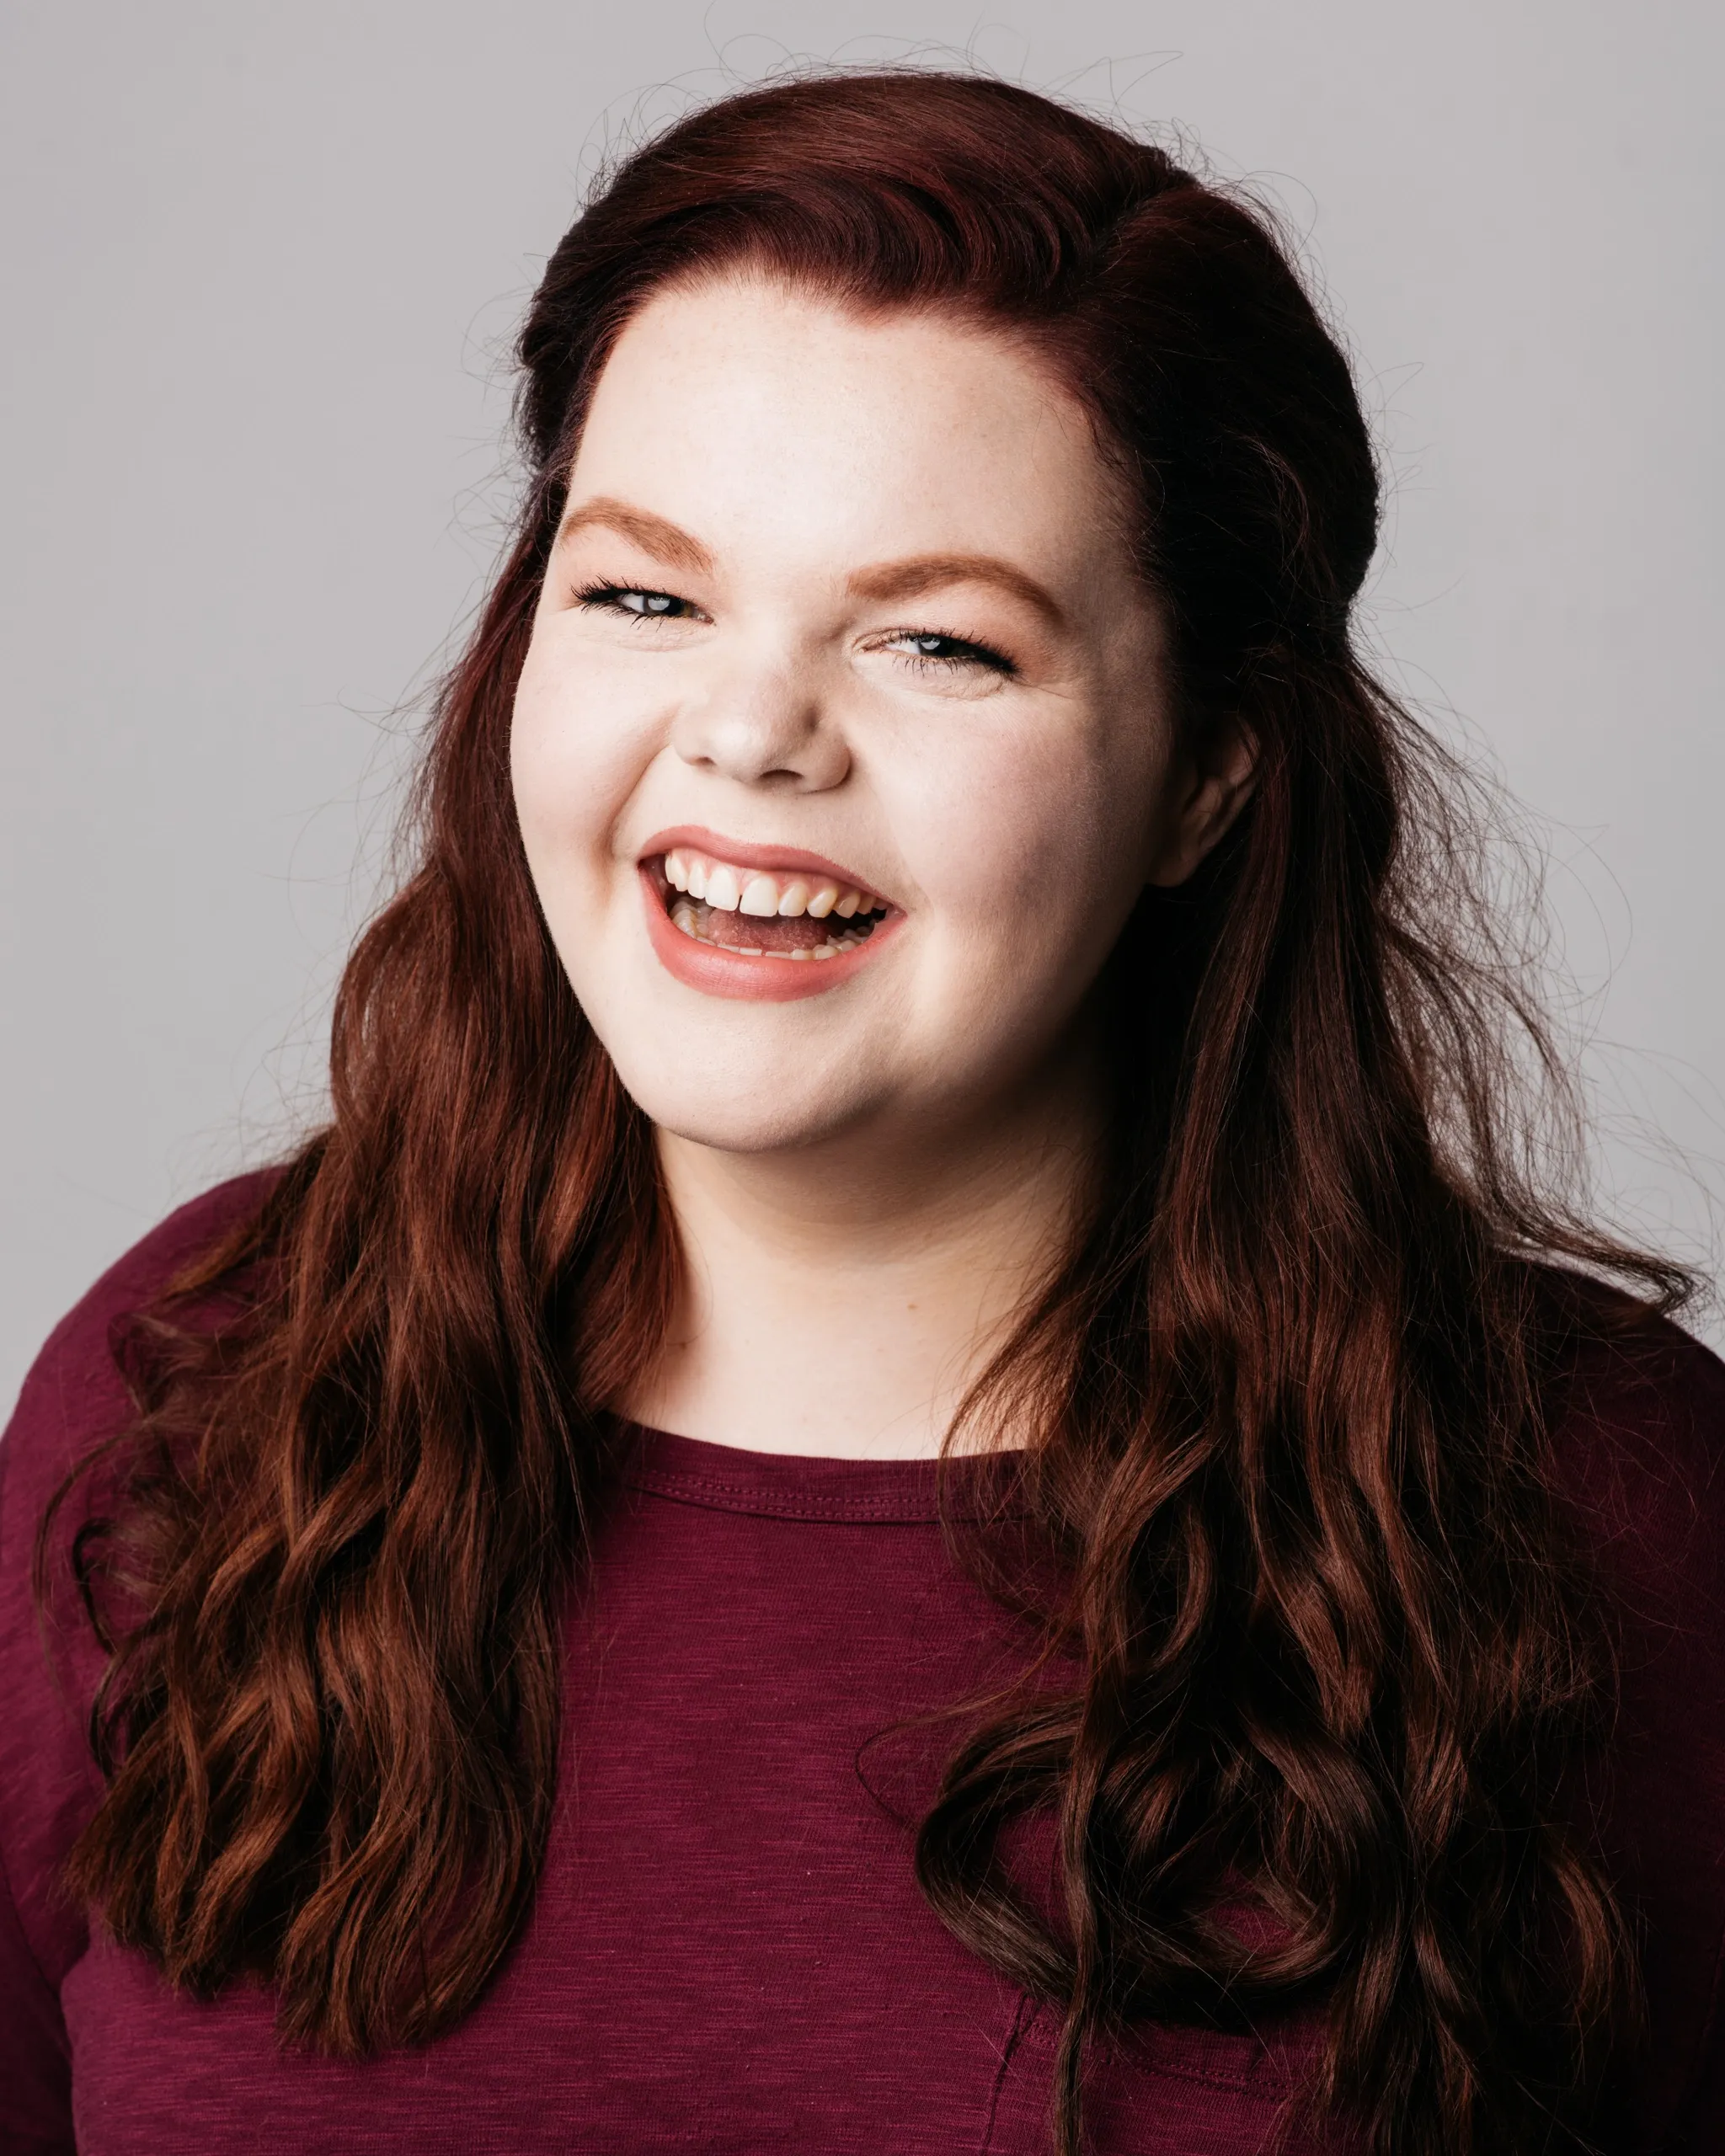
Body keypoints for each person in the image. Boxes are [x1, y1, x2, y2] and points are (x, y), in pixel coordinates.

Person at [2, 68, 1720, 2156]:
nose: (748, 736)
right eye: (645, 595)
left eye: (938, 642)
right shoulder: (190, 1389)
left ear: (1206, 774)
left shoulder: (1602, 1512)